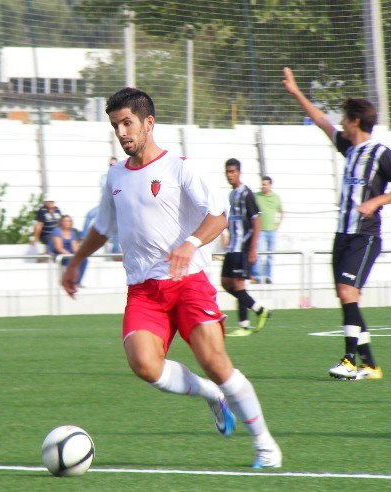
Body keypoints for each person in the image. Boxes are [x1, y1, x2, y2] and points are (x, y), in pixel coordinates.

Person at [62, 87, 282, 469]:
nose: (121, 132)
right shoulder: (114, 176)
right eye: (115, 126)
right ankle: (210, 395)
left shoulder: (180, 168)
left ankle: (265, 445)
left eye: (127, 123)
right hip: (144, 292)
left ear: (148, 122)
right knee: (144, 364)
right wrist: (75, 261)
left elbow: (218, 216)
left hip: (189, 283)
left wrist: (190, 243)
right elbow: (102, 227)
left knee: (217, 363)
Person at [282, 67, 391, 381]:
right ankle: (370, 365)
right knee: (347, 297)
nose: (340, 122)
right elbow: (321, 121)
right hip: (342, 235)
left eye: (344, 118)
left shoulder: (380, 153)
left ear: (355, 120)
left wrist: (376, 201)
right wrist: (297, 92)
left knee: (346, 292)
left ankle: (349, 360)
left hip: (364, 236)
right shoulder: (349, 148)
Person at [221, 158, 270, 337]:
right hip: (232, 247)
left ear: (239, 173)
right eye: (227, 172)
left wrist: (253, 248)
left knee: (238, 285)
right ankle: (259, 310)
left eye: (233, 172)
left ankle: (244, 325)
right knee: (225, 282)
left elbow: (256, 221)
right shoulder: (231, 195)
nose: (230, 175)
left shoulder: (246, 193)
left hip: (243, 247)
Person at [250, 176, 284, 284]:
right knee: (258, 253)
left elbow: (282, 212)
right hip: (260, 230)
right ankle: (257, 277)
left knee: (270, 255)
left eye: (265, 184)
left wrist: (277, 225)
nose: (263, 186)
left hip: (271, 231)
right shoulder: (257, 196)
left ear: (270, 185)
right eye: (262, 184)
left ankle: (268, 276)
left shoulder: (276, 197)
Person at [49, 215, 88, 286]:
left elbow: (75, 248)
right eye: (65, 221)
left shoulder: (72, 232)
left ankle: (77, 282)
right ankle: (69, 281)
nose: (67, 222)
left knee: (84, 260)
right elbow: (59, 248)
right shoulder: (57, 231)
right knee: (72, 260)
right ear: (61, 222)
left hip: (69, 254)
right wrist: (71, 256)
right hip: (60, 254)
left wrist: (80, 255)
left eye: (68, 221)